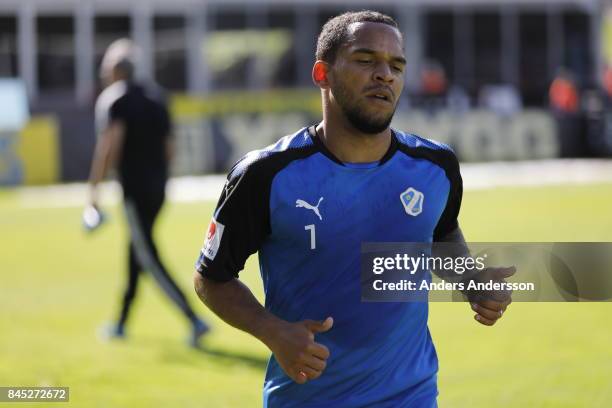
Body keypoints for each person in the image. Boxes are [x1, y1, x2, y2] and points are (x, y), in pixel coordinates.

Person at [193, 11, 512, 407]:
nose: (385, 75)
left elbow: (441, 233)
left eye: (396, 65)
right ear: (322, 73)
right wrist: (272, 331)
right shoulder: (266, 174)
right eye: (366, 60)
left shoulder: (436, 166)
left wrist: (471, 279)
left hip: (412, 396)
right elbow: (211, 277)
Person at [88, 39, 208, 347]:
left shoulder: (115, 100)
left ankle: (193, 319)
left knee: (147, 256)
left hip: (134, 191)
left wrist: (94, 192)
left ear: (115, 71)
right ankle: (121, 322)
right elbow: (170, 149)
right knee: (136, 253)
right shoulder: (158, 98)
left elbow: (109, 148)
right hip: (158, 189)